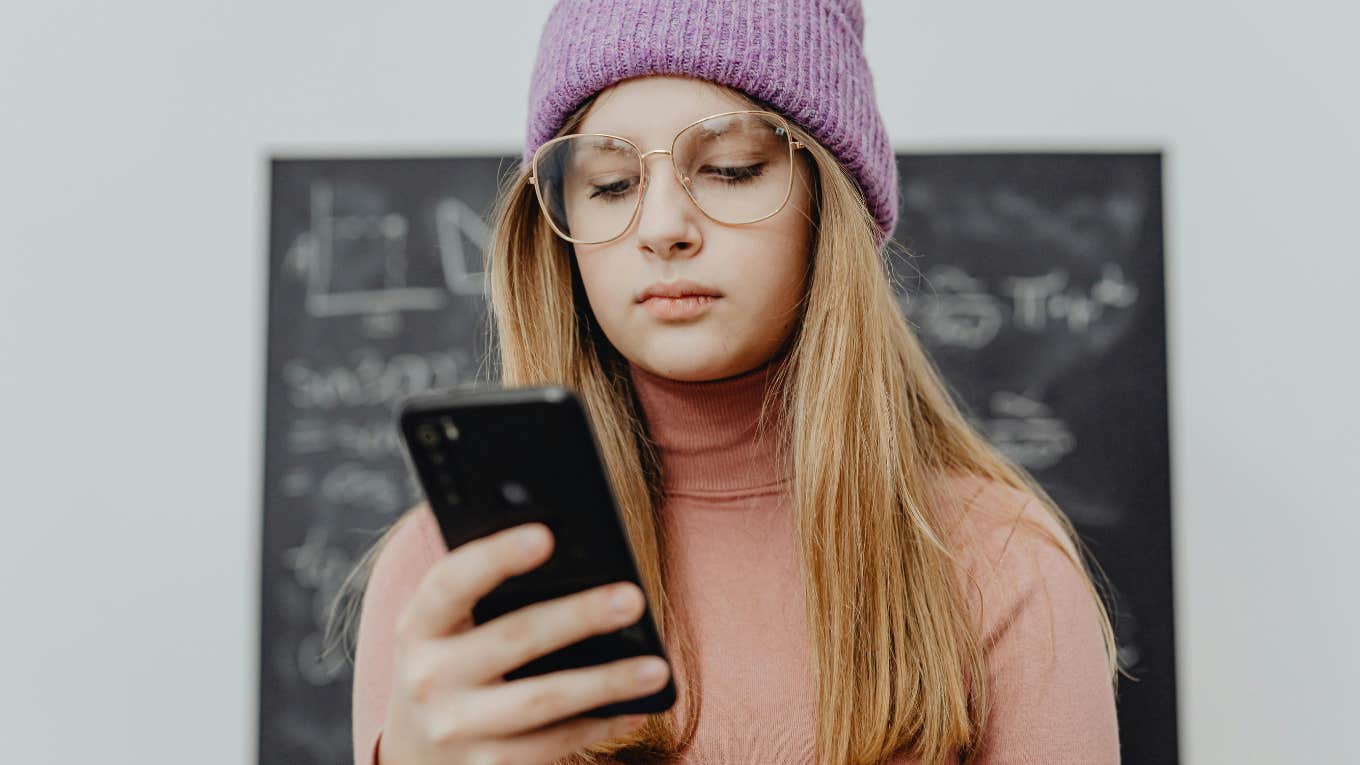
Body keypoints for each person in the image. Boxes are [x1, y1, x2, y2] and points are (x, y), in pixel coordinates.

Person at [336, 1, 1123, 763]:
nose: (662, 227)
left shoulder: (1002, 566)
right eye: (610, 184)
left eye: (730, 169)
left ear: (827, 203)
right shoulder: (446, 579)